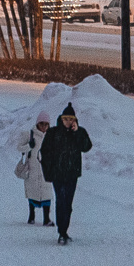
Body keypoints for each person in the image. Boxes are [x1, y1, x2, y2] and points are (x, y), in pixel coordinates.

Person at [38, 103, 93, 245]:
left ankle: (64, 230)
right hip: (58, 174)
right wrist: (50, 169)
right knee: (61, 201)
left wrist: (77, 132)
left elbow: (86, 147)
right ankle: (61, 232)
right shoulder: (53, 132)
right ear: (61, 119)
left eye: (71, 119)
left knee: (68, 203)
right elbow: (45, 151)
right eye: (66, 119)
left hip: (72, 174)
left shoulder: (79, 132)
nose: (68, 122)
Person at [21, 114, 53, 226]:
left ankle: (46, 218)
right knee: (32, 193)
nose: (44, 126)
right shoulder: (30, 135)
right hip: (33, 168)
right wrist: (29, 146)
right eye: (41, 124)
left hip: (46, 169)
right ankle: (31, 216)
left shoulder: (51, 136)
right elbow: (19, 147)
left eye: (46, 124)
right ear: (37, 123)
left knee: (47, 193)